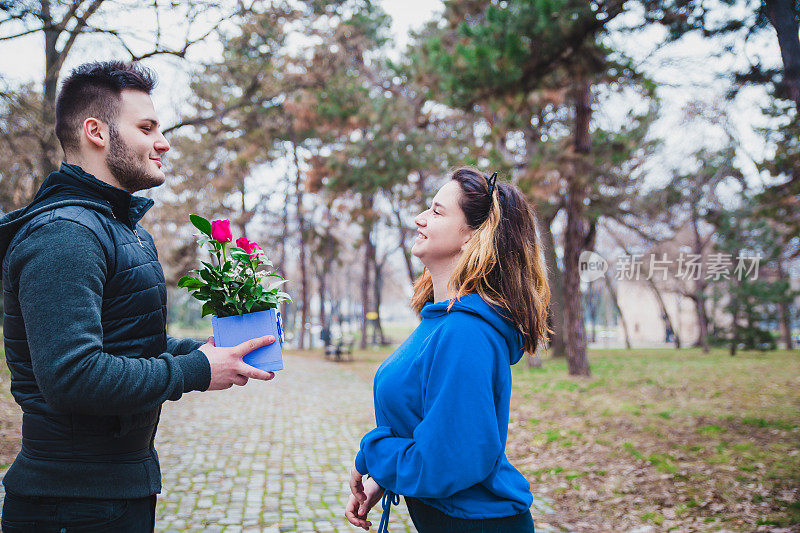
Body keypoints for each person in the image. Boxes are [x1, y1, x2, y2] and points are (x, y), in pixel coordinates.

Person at [0, 61, 276, 532]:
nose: (163, 142)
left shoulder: (120, 230)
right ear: (97, 132)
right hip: (68, 504)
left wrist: (207, 353)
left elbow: (134, 345)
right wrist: (195, 371)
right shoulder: (64, 237)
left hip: (118, 490)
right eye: (146, 128)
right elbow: (72, 376)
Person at [345, 168, 550, 533]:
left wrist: (372, 455)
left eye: (437, 212)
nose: (419, 218)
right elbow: (431, 429)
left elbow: (446, 462)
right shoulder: (439, 321)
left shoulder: (465, 332)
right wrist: (390, 476)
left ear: (473, 236)